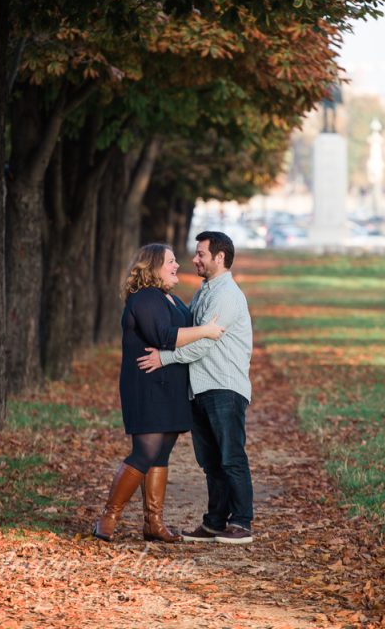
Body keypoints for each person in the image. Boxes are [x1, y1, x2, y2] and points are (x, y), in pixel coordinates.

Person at [92, 243, 224, 543]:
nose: (177, 265)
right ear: (153, 266)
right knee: (144, 453)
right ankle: (108, 518)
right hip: (147, 385)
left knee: (161, 455)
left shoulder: (171, 299)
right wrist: (205, 331)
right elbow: (163, 337)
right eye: (170, 261)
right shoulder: (146, 298)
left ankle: (153, 523)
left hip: (171, 385)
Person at [138, 231, 254, 545]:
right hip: (201, 387)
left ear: (219, 257)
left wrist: (163, 358)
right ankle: (215, 522)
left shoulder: (226, 295)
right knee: (210, 462)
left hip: (224, 386)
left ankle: (241, 523)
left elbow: (201, 341)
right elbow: (189, 330)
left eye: (201, 253)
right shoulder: (206, 290)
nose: (195, 259)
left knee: (231, 457)